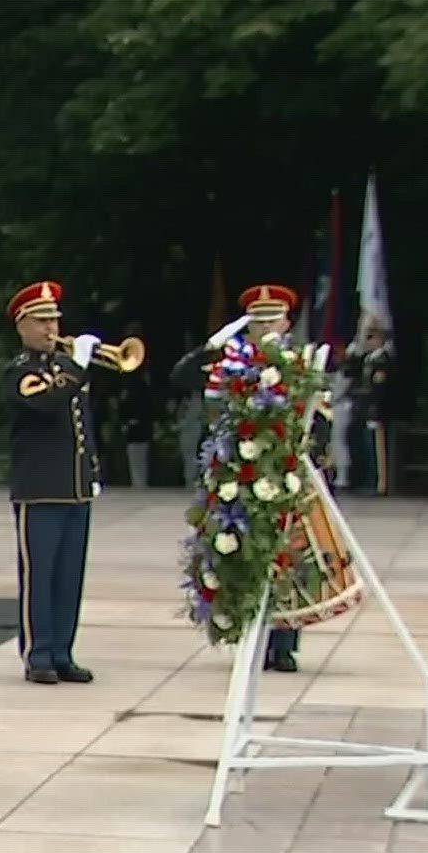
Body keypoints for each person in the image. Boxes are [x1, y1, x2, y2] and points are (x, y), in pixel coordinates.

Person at [174, 285, 308, 670]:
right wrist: (215, 344)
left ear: (287, 322)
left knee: (285, 554)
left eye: (273, 319)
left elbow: (317, 416)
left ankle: (283, 643)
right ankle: (248, 632)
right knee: (240, 553)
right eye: (258, 320)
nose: (266, 328)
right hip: (238, 472)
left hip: (283, 472)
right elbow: (182, 378)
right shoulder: (232, 362)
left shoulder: (298, 363)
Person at [4, 281, 99, 685]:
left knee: (68, 575)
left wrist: (91, 471)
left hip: (74, 485)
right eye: (41, 321)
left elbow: (83, 424)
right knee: (39, 574)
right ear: (22, 326)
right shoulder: (20, 371)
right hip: (39, 487)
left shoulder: (65, 370)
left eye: (54, 319)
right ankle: (37, 652)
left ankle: (62, 650)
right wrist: (76, 367)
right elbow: (44, 404)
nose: (50, 328)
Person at [345, 325, 393, 495]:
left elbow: (379, 389)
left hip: (374, 409)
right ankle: (359, 479)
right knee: (358, 443)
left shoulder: (384, 360)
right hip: (361, 407)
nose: (368, 342)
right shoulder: (367, 358)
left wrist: (375, 410)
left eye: (371, 338)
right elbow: (351, 373)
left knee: (373, 448)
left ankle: (375, 483)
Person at [118, 322, 156, 487]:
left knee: (139, 458)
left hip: (139, 424)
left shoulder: (138, 383)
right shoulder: (132, 381)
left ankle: (140, 484)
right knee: (136, 459)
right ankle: (138, 484)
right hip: (134, 424)